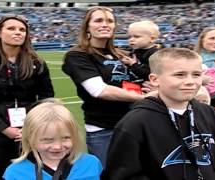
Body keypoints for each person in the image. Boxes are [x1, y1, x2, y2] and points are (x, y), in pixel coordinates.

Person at [102, 48, 215, 180]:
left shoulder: (209, 113)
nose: (191, 81)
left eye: (196, 75)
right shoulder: (134, 123)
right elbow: (123, 175)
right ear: (155, 79)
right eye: (180, 75)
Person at [61, 6, 156, 168]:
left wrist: (153, 86)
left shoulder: (123, 54)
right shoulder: (78, 56)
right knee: (109, 174)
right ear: (87, 27)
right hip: (103, 129)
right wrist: (144, 97)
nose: (105, 24)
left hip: (135, 124)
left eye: (110, 21)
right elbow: (99, 90)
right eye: (98, 20)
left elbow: (152, 70)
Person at [0, 14, 55, 180]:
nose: (18, 33)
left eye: (22, 29)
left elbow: (47, 97)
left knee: (33, 172)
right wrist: (4, 129)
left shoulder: (37, 62)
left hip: (32, 130)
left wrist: (32, 126)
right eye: (11, 28)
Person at [3, 98, 102, 180]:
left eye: (65, 138)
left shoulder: (91, 163)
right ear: (30, 138)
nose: (57, 146)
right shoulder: (15, 172)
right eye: (48, 140)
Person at [121, 20, 160, 85]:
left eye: (136, 37)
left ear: (152, 39)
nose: (131, 39)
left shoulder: (154, 55)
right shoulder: (136, 50)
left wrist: (133, 64)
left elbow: (147, 74)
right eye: (129, 37)